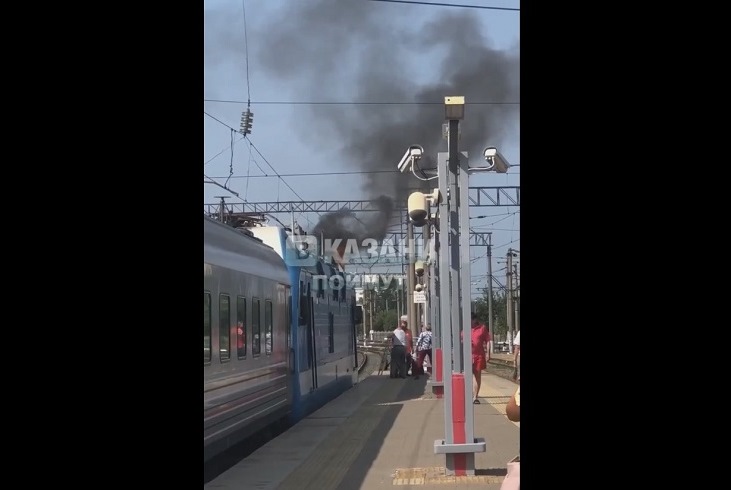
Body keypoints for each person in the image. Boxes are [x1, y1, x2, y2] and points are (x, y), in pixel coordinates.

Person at [462, 313, 490, 404]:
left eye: (470, 320)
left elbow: (488, 340)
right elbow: (461, 340)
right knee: (467, 376)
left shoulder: (482, 328)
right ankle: (467, 394)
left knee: (477, 376)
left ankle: (475, 397)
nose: (468, 322)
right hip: (468, 356)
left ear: (474, 320)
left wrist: (488, 353)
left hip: (479, 356)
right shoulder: (465, 329)